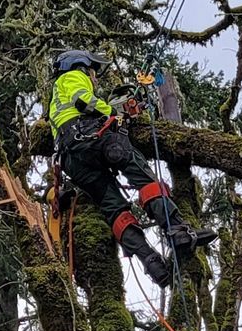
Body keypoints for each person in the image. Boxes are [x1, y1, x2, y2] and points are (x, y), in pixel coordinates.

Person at [46, 47, 201, 285]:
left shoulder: (54, 102)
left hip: (72, 161)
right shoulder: (73, 76)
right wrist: (114, 114)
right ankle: (178, 230)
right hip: (94, 137)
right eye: (91, 71)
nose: (93, 76)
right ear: (80, 65)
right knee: (144, 178)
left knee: (114, 207)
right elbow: (83, 100)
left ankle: (150, 262)